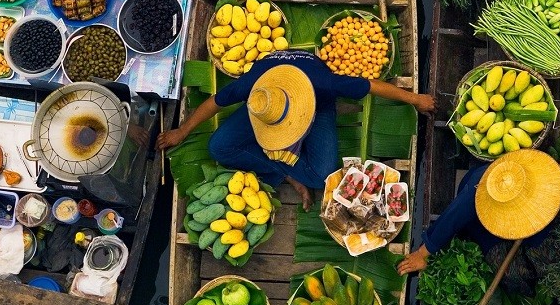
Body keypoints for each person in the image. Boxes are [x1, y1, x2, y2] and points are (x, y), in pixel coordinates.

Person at [156, 50, 434, 209]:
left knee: (321, 175)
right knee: (218, 146)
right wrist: (183, 130)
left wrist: (415, 99)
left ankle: (286, 170)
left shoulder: (324, 83)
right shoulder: (254, 86)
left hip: (317, 106)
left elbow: (370, 85)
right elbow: (215, 102)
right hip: (267, 106)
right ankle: (288, 174)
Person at [396, 149, 560, 275]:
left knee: (549, 250)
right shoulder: (475, 198)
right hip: (486, 229)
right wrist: (422, 254)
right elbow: (449, 221)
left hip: (535, 221)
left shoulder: (548, 184)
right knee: (512, 272)